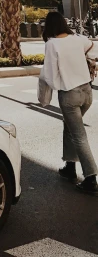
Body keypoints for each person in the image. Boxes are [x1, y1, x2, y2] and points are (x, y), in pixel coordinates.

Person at [39, 11, 97, 196]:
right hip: (87, 93)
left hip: (69, 95)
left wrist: (44, 99)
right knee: (70, 127)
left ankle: (90, 178)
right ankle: (70, 166)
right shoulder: (78, 39)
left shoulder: (52, 44)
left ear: (48, 27)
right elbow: (93, 48)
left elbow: (47, 75)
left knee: (78, 136)